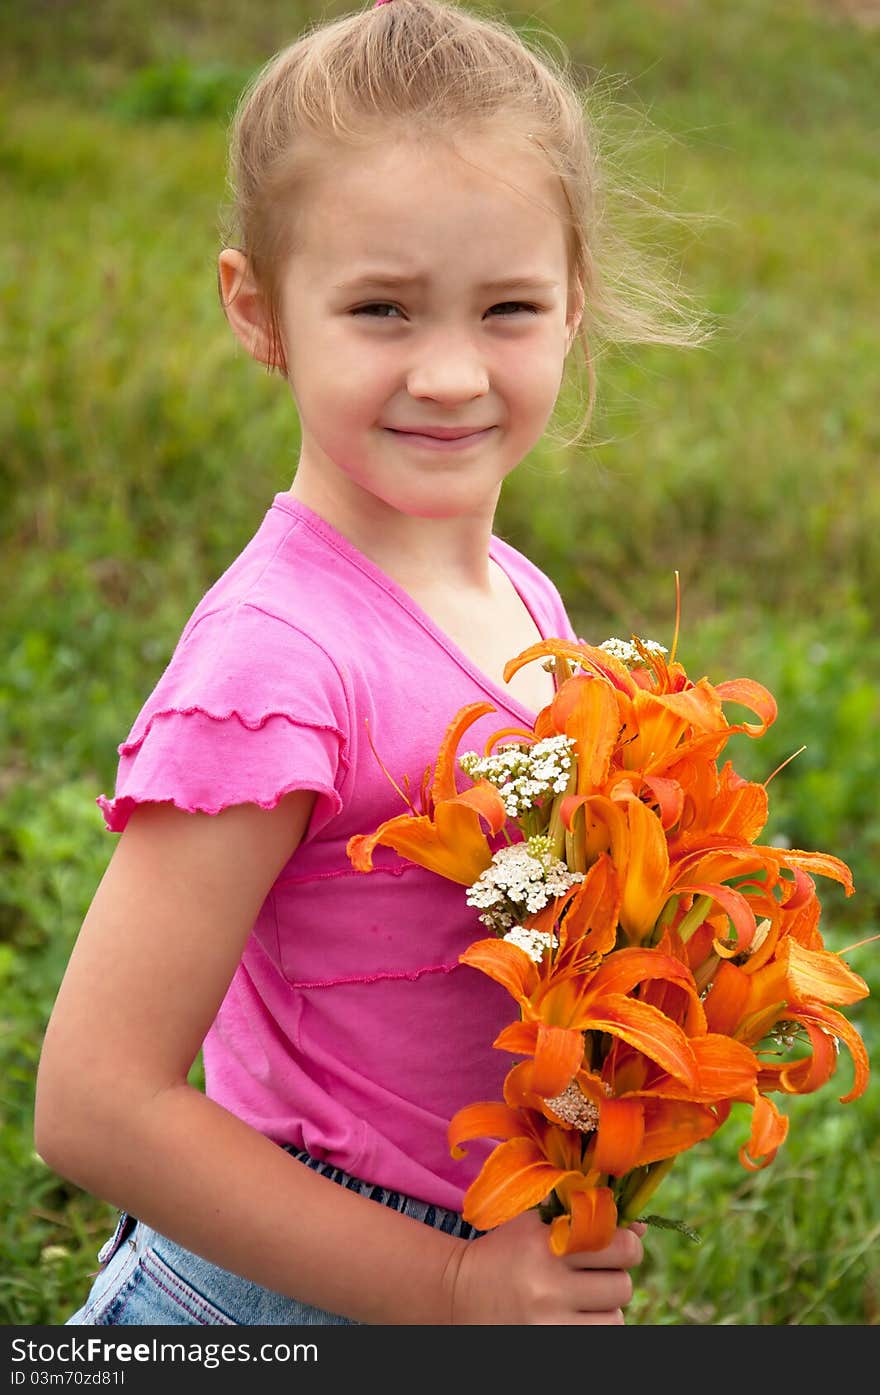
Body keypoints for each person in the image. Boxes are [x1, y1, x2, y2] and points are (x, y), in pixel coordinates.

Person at [36, 0, 700, 1326]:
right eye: (383, 309)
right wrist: (450, 1282)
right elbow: (95, 1104)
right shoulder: (278, 664)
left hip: (491, 1248)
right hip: (278, 1294)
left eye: (507, 307)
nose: (452, 373)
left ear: (575, 302)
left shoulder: (521, 595)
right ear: (261, 309)